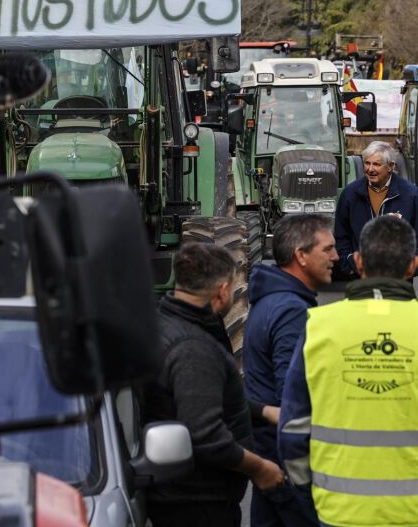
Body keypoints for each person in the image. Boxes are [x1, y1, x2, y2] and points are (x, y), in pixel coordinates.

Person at [279, 216, 418, 526]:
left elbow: (293, 432)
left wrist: (308, 498)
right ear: (412, 265)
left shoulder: (318, 326)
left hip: (338, 512)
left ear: (357, 261)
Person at [143, 243, 285, 527]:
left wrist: (262, 412)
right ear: (222, 290)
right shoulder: (193, 348)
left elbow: (200, 397)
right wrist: (260, 468)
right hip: (198, 501)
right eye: (234, 286)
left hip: (181, 495)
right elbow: (205, 435)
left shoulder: (166, 322)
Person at [244, 215, 335, 526]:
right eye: (328, 249)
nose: (336, 257)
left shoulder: (273, 301)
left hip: (270, 451)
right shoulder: (291, 310)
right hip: (284, 460)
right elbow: (291, 397)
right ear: (301, 255)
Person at [335, 141, 418, 278]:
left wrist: (409, 267)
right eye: (367, 163)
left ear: (390, 166)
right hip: (360, 277)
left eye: (377, 164)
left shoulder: (411, 195)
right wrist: (349, 264)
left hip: (399, 278)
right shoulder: (350, 194)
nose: (370, 169)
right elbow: (341, 235)